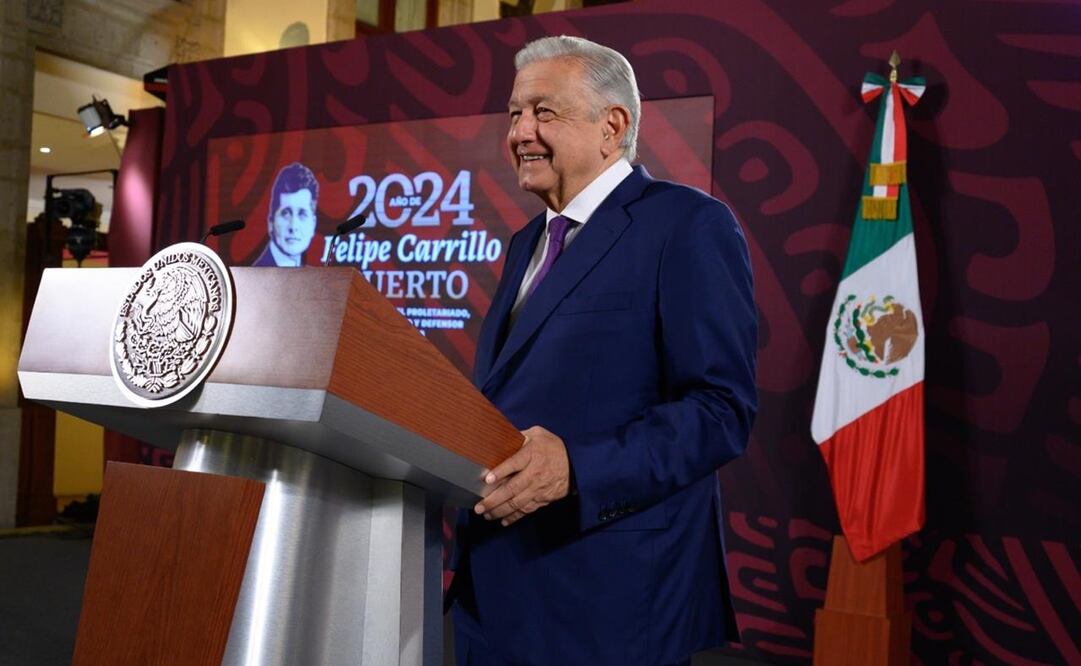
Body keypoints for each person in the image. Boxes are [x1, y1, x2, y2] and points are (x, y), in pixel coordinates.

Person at [447, 36, 758, 666]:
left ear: (612, 126)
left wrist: (578, 467)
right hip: (494, 592)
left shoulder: (688, 225)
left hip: (609, 601)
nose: (521, 132)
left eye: (544, 112)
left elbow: (721, 410)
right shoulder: (525, 242)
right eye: (514, 114)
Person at [252, 161, 319, 266]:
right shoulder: (254, 277)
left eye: (302, 214)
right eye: (286, 213)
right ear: (271, 223)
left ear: (313, 224)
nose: (293, 226)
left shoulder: (316, 277)